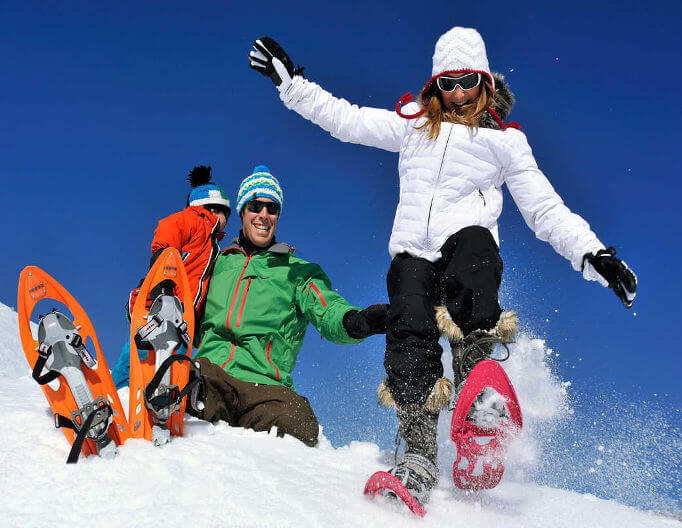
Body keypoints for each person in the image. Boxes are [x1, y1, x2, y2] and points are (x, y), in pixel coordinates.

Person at [249, 28, 638, 504]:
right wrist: (292, 85)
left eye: (466, 81)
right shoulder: (411, 126)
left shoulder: (506, 144)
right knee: (406, 323)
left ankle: (478, 401)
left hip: (464, 254)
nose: (457, 94)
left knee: (475, 248)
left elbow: (544, 209)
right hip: (415, 254)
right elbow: (344, 119)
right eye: (447, 84)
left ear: (484, 82)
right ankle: (417, 455)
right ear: (434, 86)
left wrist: (592, 253)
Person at [186, 165, 389, 447]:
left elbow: (327, 308)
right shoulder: (214, 264)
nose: (264, 215)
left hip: (265, 386)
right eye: (256, 206)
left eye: (272, 208)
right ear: (243, 211)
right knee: (180, 385)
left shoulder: (297, 272)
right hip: (212, 372)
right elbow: (182, 311)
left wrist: (356, 321)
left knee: (299, 421)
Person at [111, 165, 231, 388]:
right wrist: (163, 283)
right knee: (138, 356)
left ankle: (163, 402)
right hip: (159, 307)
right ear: (213, 209)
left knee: (175, 366)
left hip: (183, 320)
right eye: (225, 212)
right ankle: (118, 393)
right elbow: (165, 238)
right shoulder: (192, 220)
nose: (226, 219)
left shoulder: (212, 247)